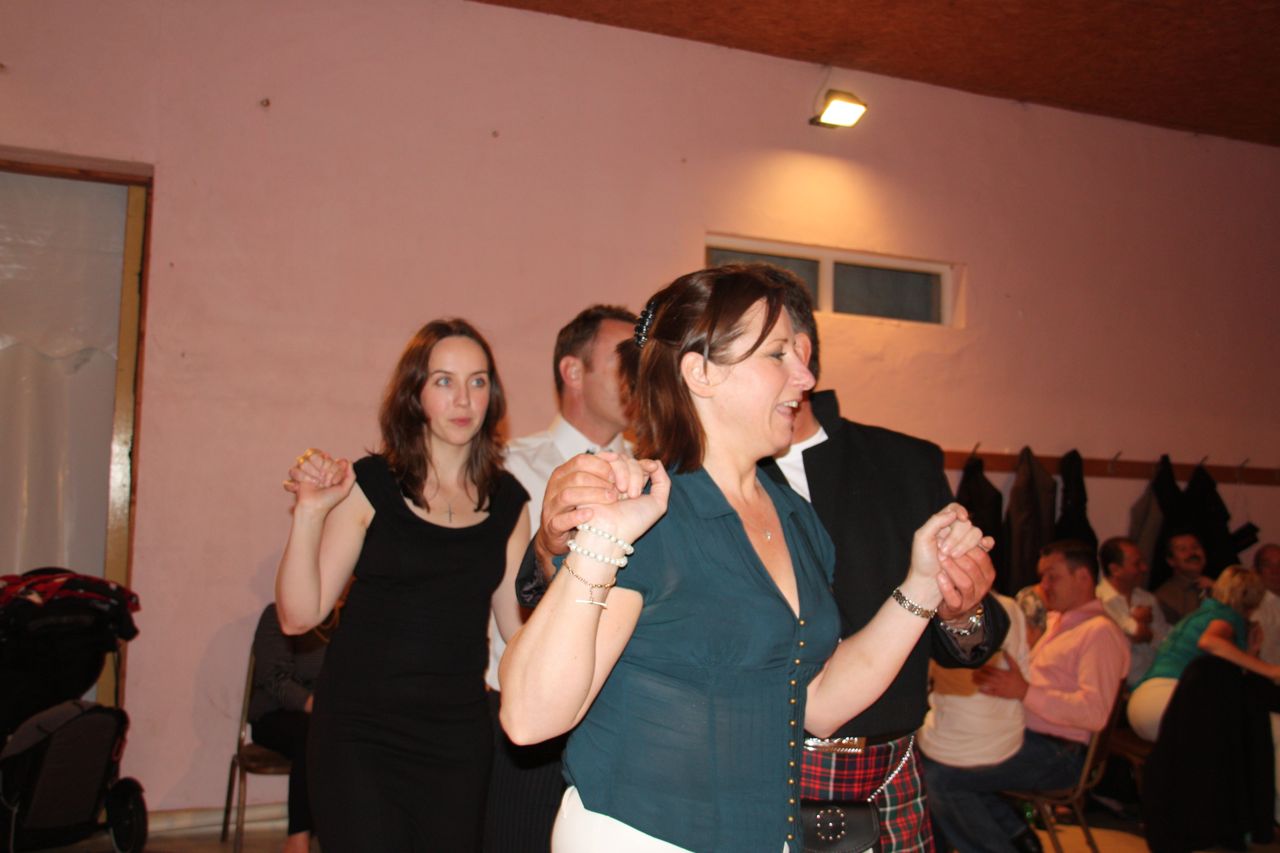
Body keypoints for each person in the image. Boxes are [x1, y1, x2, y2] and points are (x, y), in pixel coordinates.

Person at [499, 264, 993, 852]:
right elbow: (529, 719)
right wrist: (603, 539)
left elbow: (818, 703)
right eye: (778, 354)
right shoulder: (649, 511)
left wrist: (923, 585)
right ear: (702, 373)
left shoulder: (794, 518)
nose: (805, 375)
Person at [759, 271, 1007, 852]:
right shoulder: (706, 477)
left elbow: (972, 636)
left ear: (801, 354)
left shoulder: (903, 464)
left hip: (883, 770)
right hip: (750, 767)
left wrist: (962, 611)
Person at [275, 319, 530, 851]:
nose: (463, 399)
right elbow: (298, 617)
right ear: (414, 393)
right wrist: (310, 513)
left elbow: (517, 633)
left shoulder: (510, 501)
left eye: (478, 381)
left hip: (457, 736)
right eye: (443, 381)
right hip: (359, 733)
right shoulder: (371, 485)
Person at [486, 304, 635, 853]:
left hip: (621, 713)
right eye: (624, 360)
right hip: (523, 708)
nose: (639, 374)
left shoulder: (657, 478)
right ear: (573, 371)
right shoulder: (506, 469)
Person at [923, 540, 1130, 853]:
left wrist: (1023, 691)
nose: (1044, 585)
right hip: (1029, 736)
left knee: (941, 779)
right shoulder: (1060, 623)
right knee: (929, 762)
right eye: (1043, 576)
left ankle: (1009, 838)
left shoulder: (1099, 632)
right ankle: (1017, 834)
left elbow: (1094, 713)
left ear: (1083, 577)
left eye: (1052, 576)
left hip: (1061, 753)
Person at [1127, 565, 1280, 741]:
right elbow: (1209, 642)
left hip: (1144, 703)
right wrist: (1270, 670)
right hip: (1171, 697)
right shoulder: (1226, 616)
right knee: (1266, 732)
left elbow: (1230, 676)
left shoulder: (1203, 614)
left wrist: (1251, 651)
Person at [247, 601, 334, 853]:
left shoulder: (351, 617)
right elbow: (274, 679)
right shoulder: (280, 614)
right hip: (275, 713)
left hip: (326, 717)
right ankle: (298, 838)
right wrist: (315, 706)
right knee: (311, 734)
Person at [1096, 536, 1170, 686]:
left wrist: (1149, 637)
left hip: (1151, 682)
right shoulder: (1097, 601)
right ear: (1115, 569)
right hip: (1114, 687)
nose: (1144, 568)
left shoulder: (1148, 600)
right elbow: (1104, 650)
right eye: (1137, 564)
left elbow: (1166, 641)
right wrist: (1135, 626)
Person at [1153, 532, 1212, 624]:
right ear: (1171, 561)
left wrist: (1218, 589)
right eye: (1183, 549)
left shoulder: (1217, 585)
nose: (1192, 553)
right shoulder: (1164, 597)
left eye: (1195, 547)